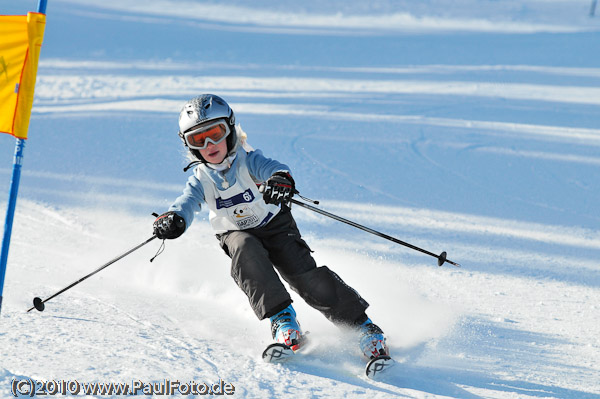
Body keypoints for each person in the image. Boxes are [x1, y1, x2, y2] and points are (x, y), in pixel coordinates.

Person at [153, 94, 389, 360]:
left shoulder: (248, 160)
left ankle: (362, 327)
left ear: (230, 129)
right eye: (198, 139)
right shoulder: (200, 179)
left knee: (305, 277)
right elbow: (186, 202)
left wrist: (280, 181)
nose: (209, 144)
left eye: (216, 133)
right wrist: (174, 219)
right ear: (188, 144)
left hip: (275, 225)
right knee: (245, 249)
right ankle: (282, 320)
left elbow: (274, 168)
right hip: (235, 232)